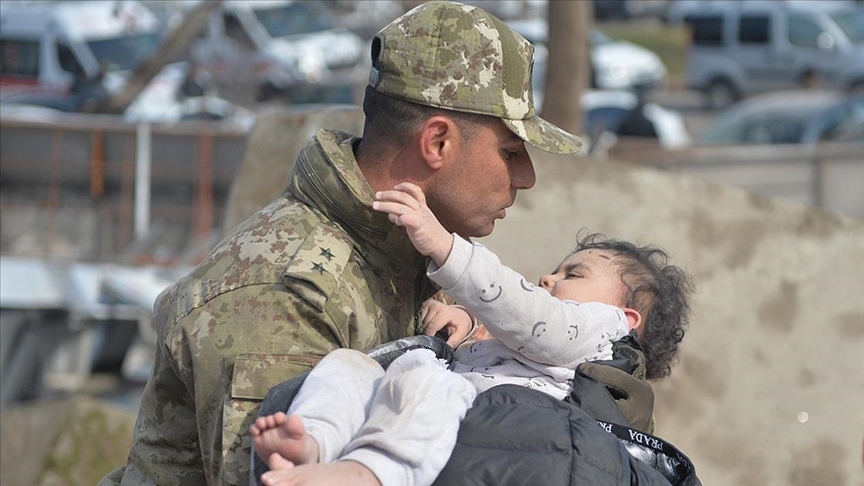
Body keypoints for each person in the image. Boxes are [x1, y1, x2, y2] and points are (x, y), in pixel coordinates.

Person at [98, 2, 582, 485]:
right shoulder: (283, 297)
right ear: (437, 143)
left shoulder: (413, 251)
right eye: (511, 152)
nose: (527, 177)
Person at [251, 183, 694, 486]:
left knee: (428, 380)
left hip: (476, 415)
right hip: (436, 406)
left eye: (573, 273)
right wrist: (466, 324)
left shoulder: (599, 330)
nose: (546, 277)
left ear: (627, 317)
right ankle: (313, 440)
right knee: (350, 367)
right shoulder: (536, 336)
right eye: (556, 268)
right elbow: (517, 334)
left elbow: (531, 320)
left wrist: (445, 247)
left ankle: (367, 473)